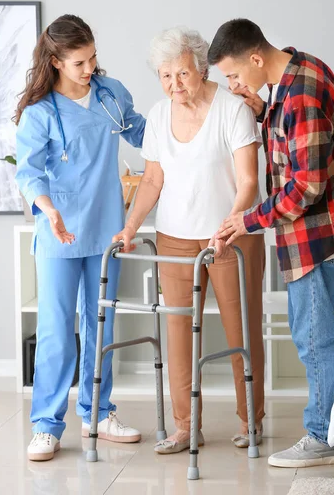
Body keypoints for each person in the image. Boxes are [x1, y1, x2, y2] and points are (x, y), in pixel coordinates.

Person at [208, 18, 334, 468]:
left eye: (235, 75)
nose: (234, 84)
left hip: (316, 236)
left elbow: (306, 186)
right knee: (317, 335)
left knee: (312, 338)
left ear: (256, 58)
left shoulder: (300, 93)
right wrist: (260, 109)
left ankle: (324, 439)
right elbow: (297, 141)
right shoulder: (300, 72)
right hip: (329, 228)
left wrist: (249, 219)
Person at [113, 27, 265, 454]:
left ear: (200, 67)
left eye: (181, 73)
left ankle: (250, 421)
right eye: (165, 76)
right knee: (178, 332)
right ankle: (185, 427)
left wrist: (232, 223)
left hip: (231, 236)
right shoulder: (159, 115)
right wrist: (130, 226)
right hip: (175, 238)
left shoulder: (233, 109)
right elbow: (152, 181)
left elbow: (249, 180)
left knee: (243, 329)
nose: (174, 84)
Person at [15, 14, 146, 461]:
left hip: (108, 227)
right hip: (60, 233)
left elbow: (147, 133)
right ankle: (46, 425)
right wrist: (48, 209)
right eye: (78, 63)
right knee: (55, 330)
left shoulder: (111, 95)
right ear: (55, 62)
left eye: (92, 58)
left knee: (101, 325)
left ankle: (98, 412)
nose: (89, 69)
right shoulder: (40, 114)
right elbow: (29, 172)